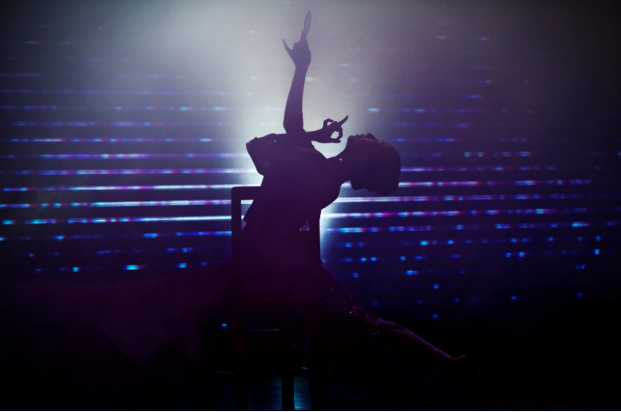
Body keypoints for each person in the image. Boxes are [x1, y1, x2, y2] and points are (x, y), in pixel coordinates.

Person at [32, 25, 482, 401]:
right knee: (364, 323)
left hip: (269, 273)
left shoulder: (319, 171)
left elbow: (264, 143)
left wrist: (303, 94)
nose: (366, 134)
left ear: (367, 160)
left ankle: (440, 364)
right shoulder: (320, 170)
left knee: (362, 324)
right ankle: (444, 362)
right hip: (276, 270)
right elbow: (277, 139)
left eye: (373, 141)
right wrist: (305, 102)